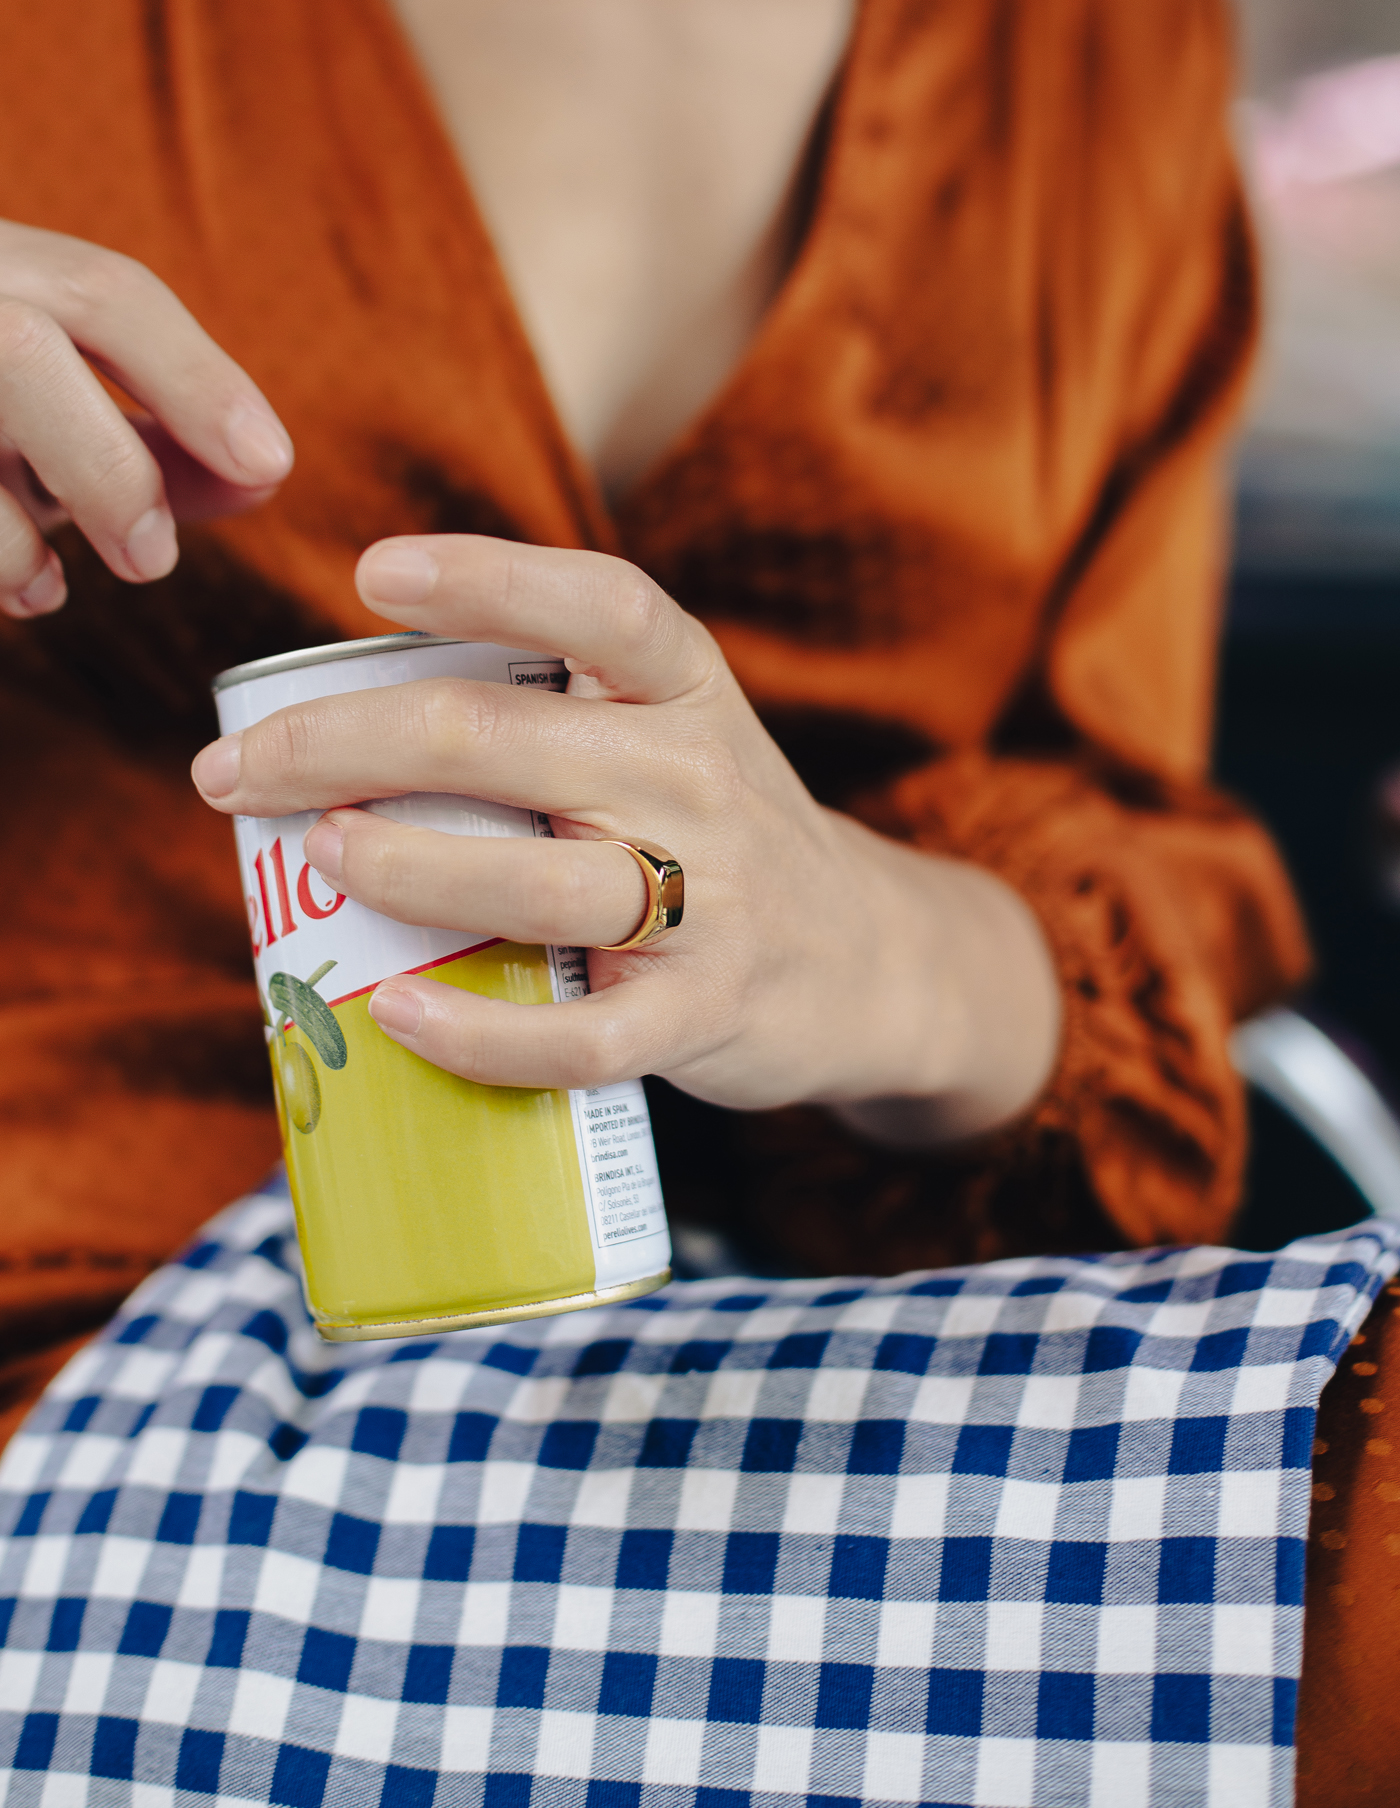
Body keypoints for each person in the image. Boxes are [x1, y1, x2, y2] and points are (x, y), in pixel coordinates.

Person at [0, 0, 1388, 1796]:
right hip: (82, 1377)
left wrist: (857, 942)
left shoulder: (1102, 55)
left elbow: (1143, 856)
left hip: (754, 1352)